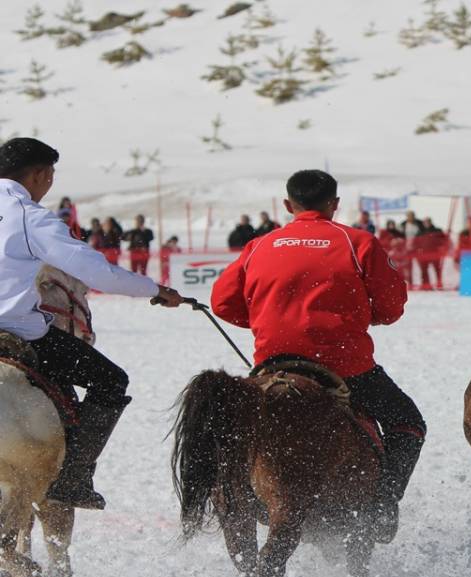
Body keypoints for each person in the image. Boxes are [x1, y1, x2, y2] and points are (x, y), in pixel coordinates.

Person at [211, 169, 424, 539]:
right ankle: (382, 506)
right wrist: (359, 317)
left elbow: (223, 303)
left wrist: (266, 320)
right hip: (346, 367)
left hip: (272, 363)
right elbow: (391, 308)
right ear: (335, 204)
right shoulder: (358, 242)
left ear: (287, 204)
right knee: (408, 422)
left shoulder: (260, 244)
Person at [0, 137, 184, 509]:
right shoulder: (28, 216)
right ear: (38, 175)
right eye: (49, 176)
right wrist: (154, 289)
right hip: (16, 332)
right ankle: (73, 478)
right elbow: (96, 273)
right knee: (111, 381)